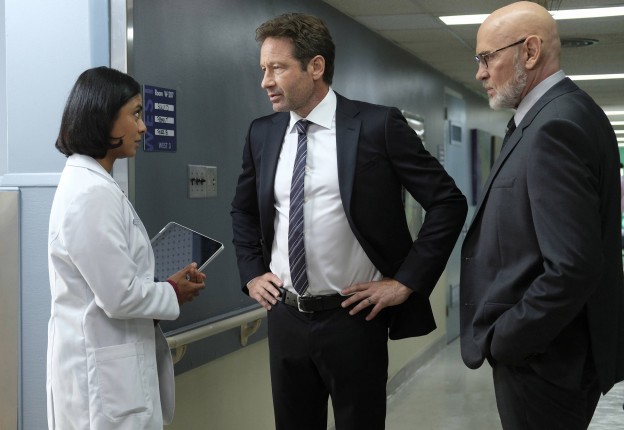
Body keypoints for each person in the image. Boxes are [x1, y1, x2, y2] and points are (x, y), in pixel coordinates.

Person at [230, 13, 467, 430]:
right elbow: (244, 210)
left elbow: (448, 203)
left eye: (278, 68)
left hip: (353, 318)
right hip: (286, 316)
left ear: (315, 66)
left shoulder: (377, 126)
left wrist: (405, 281)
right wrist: (251, 273)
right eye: (263, 69)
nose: (266, 81)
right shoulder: (262, 133)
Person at [460, 2, 624, 429]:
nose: (480, 73)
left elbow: (573, 266)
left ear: (530, 52)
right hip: (552, 355)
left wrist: (507, 339)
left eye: (487, 58)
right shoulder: (553, 116)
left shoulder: (555, 126)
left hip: (547, 361)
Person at [47, 66, 207, 430]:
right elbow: (118, 296)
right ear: (103, 118)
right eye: (135, 114)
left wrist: (162, 288)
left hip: (109, 370)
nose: (143, 127)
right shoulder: (90, 194)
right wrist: (171, 291)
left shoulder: (94, 185)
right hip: (101, 385)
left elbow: (112, 282)